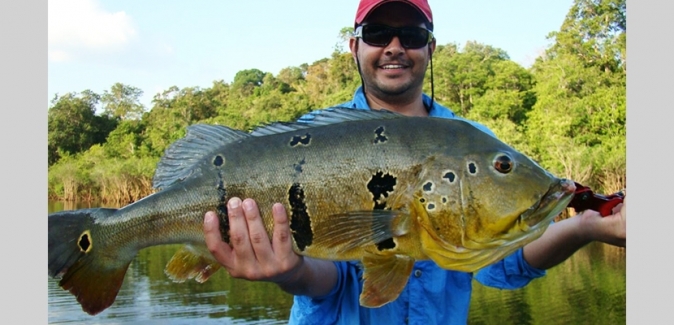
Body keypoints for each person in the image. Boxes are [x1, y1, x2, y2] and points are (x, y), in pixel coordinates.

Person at [201, 0, 627, 324]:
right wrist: (290, 271)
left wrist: (586, 226)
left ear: (431, 48)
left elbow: (503, 266)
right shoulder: (318, 135)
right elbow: (334, 282)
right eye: (378, 33)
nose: (394, 47)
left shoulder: (469, 142)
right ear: (355, 46)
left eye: (412, 34)